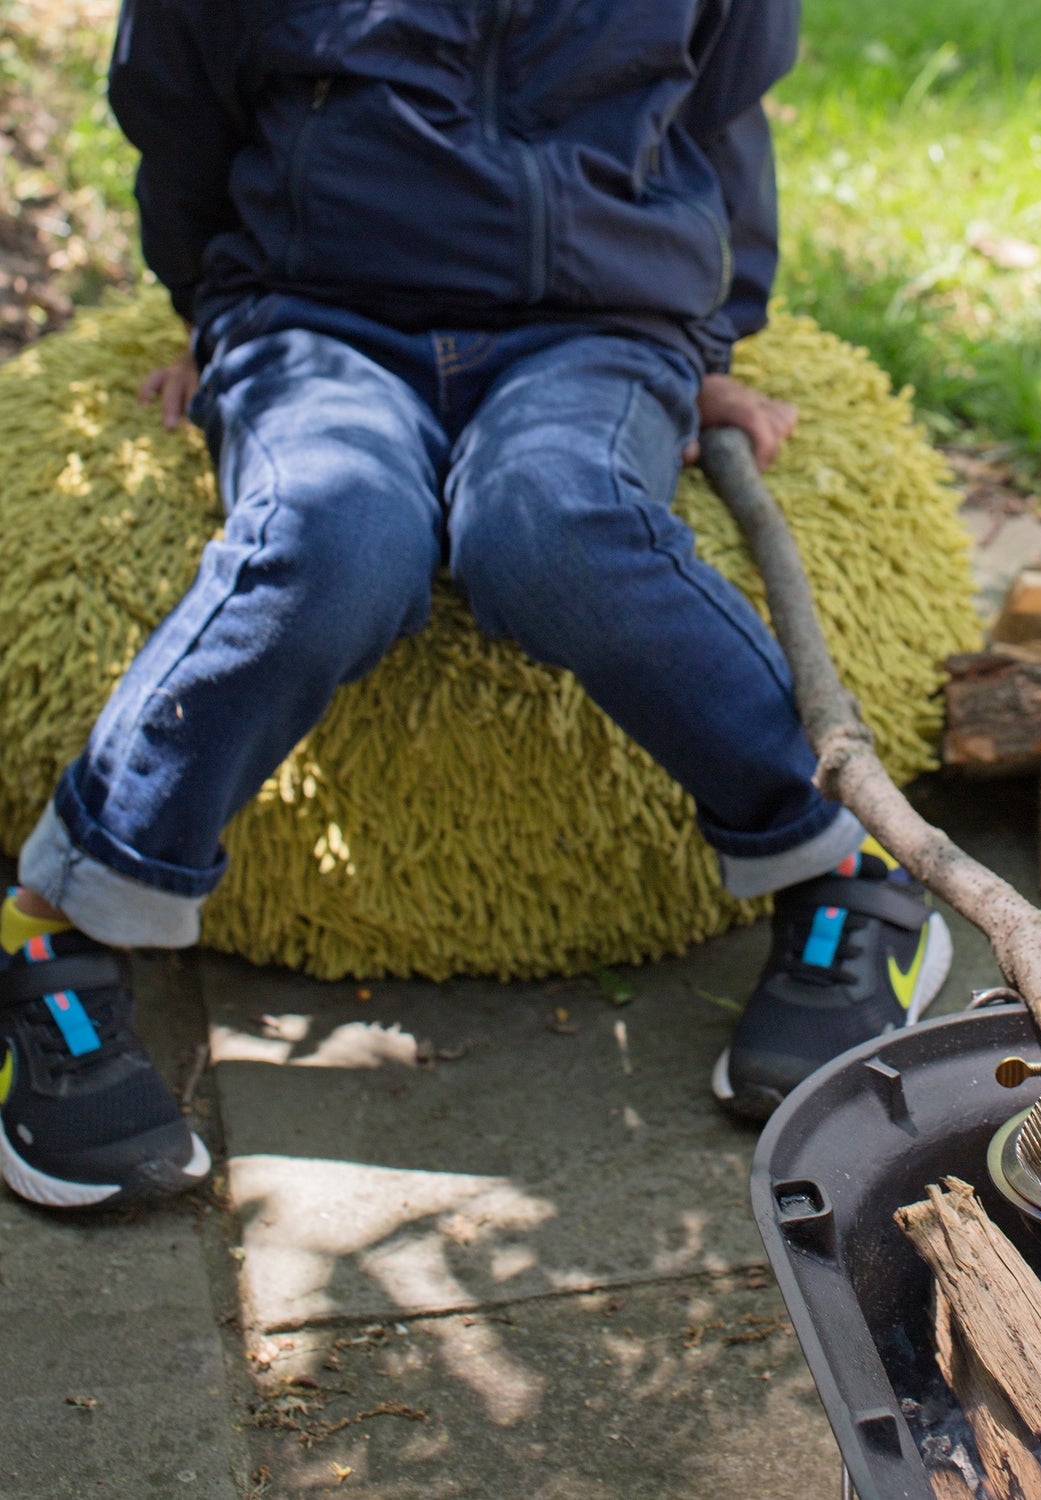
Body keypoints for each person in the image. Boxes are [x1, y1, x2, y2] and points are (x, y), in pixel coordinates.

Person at [0, 0, 953, 1210]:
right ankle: (53, 918)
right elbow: (178, 109)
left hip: (594, 325)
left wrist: (712, 339)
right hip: (315, 316)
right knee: (328, 537)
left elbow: (720, 117)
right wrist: (208, 304)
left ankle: (845, 870)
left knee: (556, 526)